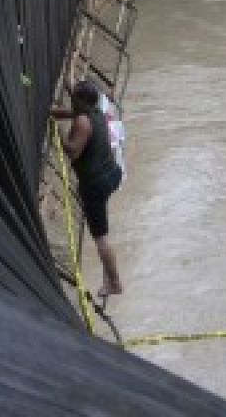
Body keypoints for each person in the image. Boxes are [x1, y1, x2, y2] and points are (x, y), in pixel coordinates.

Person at [51, 80, 124, 300]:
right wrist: (53, 112)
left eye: (74, 97)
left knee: (101, 238)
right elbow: (73, 113)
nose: (71, 99)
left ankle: (115, 283)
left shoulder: (82, 122)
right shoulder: (97, 111)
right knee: (100, 217)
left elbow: (73, 152)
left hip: (96, 184)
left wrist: (57, 133)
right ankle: (112, 278)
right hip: (113, 173)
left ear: (81, 101)